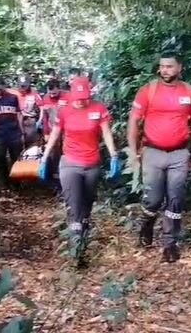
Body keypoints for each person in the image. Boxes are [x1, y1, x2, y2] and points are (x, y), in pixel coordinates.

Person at [127, 53, 191, 263]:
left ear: (180, 67)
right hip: (152, 152)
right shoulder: (148, 91)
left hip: (180, 153)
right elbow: (134, 121)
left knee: (175, 199)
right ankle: (147, 224)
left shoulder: (189, 92)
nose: (165, 70)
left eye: (170, 66)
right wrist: (133, 152)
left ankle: (170, 244)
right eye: (162, 67)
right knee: (152, 199)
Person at [39, 76, 120, 267]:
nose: (81, 101)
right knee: (74, 205)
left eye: (85, 97)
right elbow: (55, 135)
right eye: (78, 97)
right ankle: (77, 251)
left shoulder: (98, 109)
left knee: (87, 204)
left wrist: (114, 155)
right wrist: (44, 158)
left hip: (92, 164)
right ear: (72, 94)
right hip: (70, 164)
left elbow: (106, 132)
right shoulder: (64, 112)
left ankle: (83, 232)